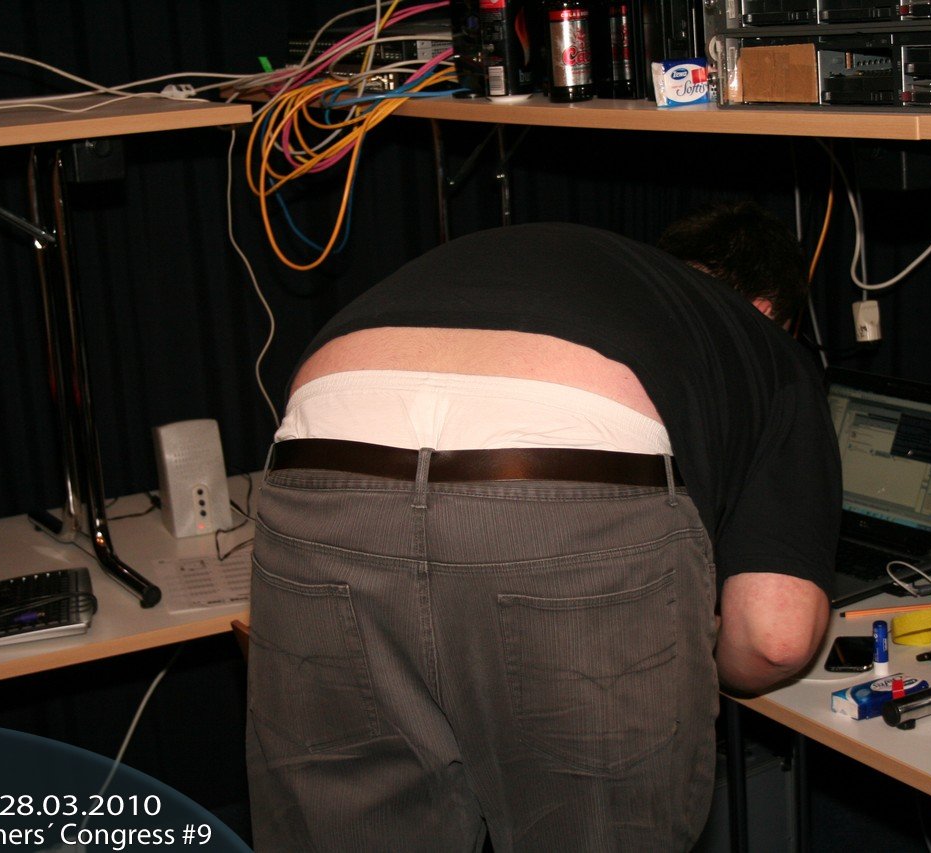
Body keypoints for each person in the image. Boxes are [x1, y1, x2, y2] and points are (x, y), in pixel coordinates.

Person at [245, 201, 841, 852]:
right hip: (560, 489)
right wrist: (693, 646)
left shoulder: (594, 273)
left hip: (325, 446)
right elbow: (776, 638)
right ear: (767, 311)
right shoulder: (761, 343)